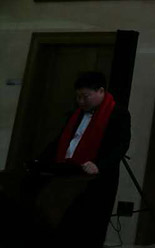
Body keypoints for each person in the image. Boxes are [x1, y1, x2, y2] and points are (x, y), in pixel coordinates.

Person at [30, 71, 131, 247]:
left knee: (88, 227)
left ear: (101, 91)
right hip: (68, 175)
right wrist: (41, 161)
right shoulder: (75, 114)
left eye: (85, 96)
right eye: (78, 97)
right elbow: (60, 141)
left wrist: (99, 165)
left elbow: (121, 146)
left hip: (96, 177)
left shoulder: (118, 114)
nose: (81, 101)